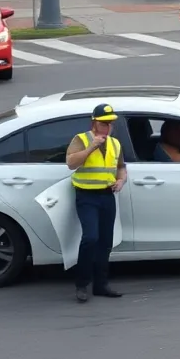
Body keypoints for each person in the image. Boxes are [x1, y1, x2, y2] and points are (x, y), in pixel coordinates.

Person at [64, 104, 127, 303]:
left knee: (105, 241)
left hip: (107, 196)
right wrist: (91, 148)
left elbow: (121, 168)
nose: (108, 128)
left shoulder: (115, 144)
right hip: (87, 196)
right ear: (94, 123)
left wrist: (121, 180)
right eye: (103, 124)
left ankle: (101, 285)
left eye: (111, 124)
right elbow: (71, 163)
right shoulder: (81, 139)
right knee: (90, 237)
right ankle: (82, 284)